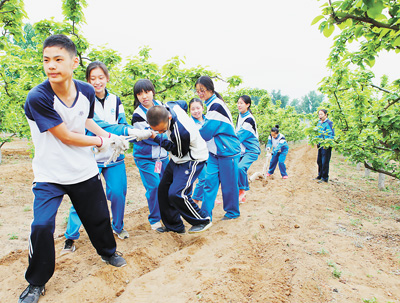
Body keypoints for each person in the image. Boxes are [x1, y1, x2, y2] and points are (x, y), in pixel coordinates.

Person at [19, 34, 127, 303]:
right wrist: (102, 141)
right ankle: (36, 282)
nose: (51, 66)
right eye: (46, 60)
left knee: (99, 218)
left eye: (58, 59)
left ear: (74, 62)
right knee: (41, 225)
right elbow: (65, 135)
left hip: (83, 170)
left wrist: (110, 136)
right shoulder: (38, 97)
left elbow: (87, 120)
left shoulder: (87, 91)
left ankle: (108, 252)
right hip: (50, 174)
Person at [62, 61, 151, 253]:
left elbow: (121, 122)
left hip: (113, 157)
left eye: (100, 78)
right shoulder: (82, 100)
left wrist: (130, 137)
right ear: (87, 81)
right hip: (90, 157)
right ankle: (70, 237)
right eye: (92, 78)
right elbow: (100, 126)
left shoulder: (115, 100)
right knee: (82, 198)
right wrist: (127, 132)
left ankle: (117, 227)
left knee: (118, 193)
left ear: (107, 78)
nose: (97, 82)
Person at [147, 102, 212, 233]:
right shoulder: (170, 105)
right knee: (163, 190)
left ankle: (202, 220)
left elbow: (178, 152)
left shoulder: (180, 132)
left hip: (191, 158)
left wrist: (157, 138)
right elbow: (182, 104)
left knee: (177, 193)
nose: (160, 132)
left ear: (169, 118)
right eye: (156, 130)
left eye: (162, 130)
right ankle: (174, 226)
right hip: (178, 158)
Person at [195, 76, 241, 221]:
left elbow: (206, 132)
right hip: (215, 153)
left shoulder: (216, 105)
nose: (200, 94)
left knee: (229, 185)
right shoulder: (211, 105)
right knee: (209, 182)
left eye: (202, 90)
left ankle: (232, 212)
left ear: (210, 89)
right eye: (197, 91)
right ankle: (205, 214)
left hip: (227, 152)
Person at [131, 79, 169, 230]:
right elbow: (148, 138)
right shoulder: (138, 115)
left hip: (163, 156)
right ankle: (154, 219)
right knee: (154, 186)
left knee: (165, 186)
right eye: (139, 94)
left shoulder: (162, 106)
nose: (144, 96)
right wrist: (167, 139)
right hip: (146, 158)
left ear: (153, 91)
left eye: (146, 92)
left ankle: (167, 215)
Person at [236, 95, 261, 202]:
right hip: (242, 150)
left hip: (251, 150)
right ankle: (241, 195)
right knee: (234, 169)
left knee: (240, 168)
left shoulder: (249, 119)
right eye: (238, 103)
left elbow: (238, 136)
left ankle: (242, 190)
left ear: (248, 105)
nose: (239, 105)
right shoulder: (240, 116)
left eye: (241, 103)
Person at [189, 98, 207, 204]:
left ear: (202, 108)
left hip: (210, 154)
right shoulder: (190, 123)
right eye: (193, 109)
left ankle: (202, 197)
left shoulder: (208, 120)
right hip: (196, 156)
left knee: (209, 179)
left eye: (198, 108)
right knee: (203, 178)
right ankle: (195, 200)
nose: (196, 111)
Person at [315, 109, 334, 183]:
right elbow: (317, 132)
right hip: (320, 144)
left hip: (326, 145)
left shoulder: (329, 123)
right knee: (319, 161)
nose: (320, 116)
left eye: (321, 114)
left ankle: (324, 177)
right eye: (319, 114)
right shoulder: (319, 123)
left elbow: (331, 134)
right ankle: (320, 175)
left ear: (326, 115)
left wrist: (326, 143)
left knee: (325, 161)